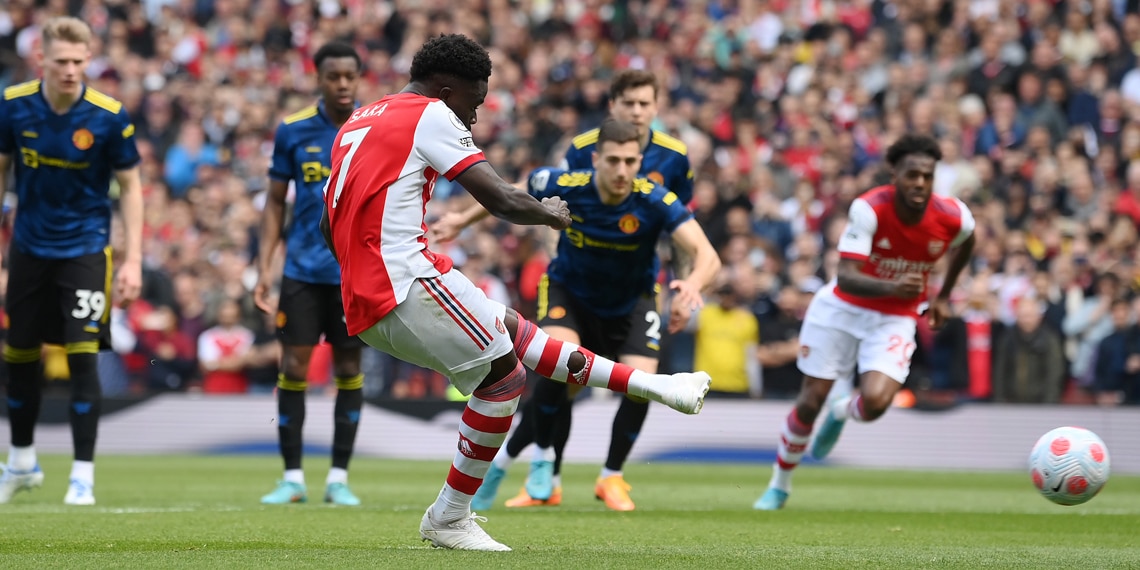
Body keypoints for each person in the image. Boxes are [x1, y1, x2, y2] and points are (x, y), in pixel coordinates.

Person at [321, 34, 711, 551]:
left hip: (382, 281)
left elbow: (331, 224)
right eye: (474, 102)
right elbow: (500, 196)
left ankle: (661, 388)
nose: (475, 117)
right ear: (445, 89)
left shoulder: (362, 117)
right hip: (404, 279)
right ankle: (449, 517)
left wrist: (364, 268)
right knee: (504, 380)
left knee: (513, 332)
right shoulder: (430, 113)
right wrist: (548, 213)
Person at [435, 69, 698, 511]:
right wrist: (464, 219)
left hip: (633, 288)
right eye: (628, 104)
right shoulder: (582, 152)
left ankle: (603, 475)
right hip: (575, 283)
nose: (636, 113)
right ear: (612, 106)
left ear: (656, 108)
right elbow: (531, 194)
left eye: (644, 105)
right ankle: (546, 472)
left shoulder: (675, 159)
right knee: (561, 372)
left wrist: (686, 282)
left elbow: (684, 228)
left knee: (639, 382)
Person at [753, 134, 976, 511]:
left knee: (874, 403)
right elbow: (846, 276)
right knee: (810, 401)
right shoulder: (869, 209)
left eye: (927, 175)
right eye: (912, 175)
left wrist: (942, 296)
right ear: (895, 174)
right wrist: (893, 283)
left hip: (894, 317)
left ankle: (841, 412)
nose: (920, 183)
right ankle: (779, 485)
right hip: (841, 310)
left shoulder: (954, 216)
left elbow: (968, 241)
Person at [0, 17, 144, 505]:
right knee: (19, 355)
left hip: (85, 249)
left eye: (79, 62)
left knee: (83, 356)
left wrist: (133, 260)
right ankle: (20, 462)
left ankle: (83, 474)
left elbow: (132, 187)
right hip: (28, 248)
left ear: (89, 60)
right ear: (40, 58)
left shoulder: (109, 115)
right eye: (60, 61)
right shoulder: (13, 106)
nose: (70, 70)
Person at [253, 41, 367, 506]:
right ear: (318, 78)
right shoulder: (293, 131)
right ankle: (293, 477)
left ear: (358, 78)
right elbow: (275, 203)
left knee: (349, 368)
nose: (342, 84)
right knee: (294, 367)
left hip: (352, 276)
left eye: (349, 76)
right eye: (333, 76)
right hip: (300, 271)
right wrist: (265, 267)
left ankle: (338, 477)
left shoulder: (371, 127)